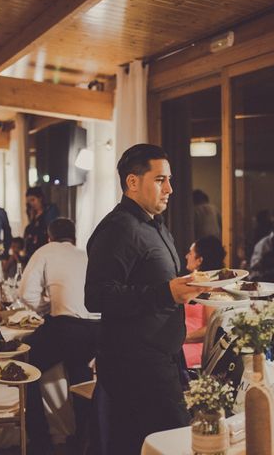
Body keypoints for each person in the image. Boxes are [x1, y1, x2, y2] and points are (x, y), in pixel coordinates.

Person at [85, 144, 204, 453]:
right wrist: (167, 293)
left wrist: (189, 290)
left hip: (161, 359)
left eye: (169, 179)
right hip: (136, 366)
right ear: (133, 182)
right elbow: (97, 296)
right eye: (160, 180)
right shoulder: (119, 228)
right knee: (175, 444)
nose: (170, 188)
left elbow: (158, 286)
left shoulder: (154, 225)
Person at [20, 218, 99, 453]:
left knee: (25, 362)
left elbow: (26, 294)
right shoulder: (86, 254)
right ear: (74, 237)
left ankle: (41, 437)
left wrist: (47, 307)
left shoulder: (46, 251)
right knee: (79, 371)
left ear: (49, 237)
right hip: (97, 329)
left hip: (67, 327)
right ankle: (85, 436)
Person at [183, 235, 225, 367]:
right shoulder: (195, 284)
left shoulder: (212, 287)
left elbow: (211, 329)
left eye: (190, 253)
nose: (186, 256)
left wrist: (182, 338)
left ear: (199, 260)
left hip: (192, 347)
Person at [23, 186, 59, 261]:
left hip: (46, 246)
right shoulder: (33, 214)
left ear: (40, 198)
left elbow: (50, 227)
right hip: (33, 250)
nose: (32, 204)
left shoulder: (50, 211)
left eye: (33, 200)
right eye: (29, 202)